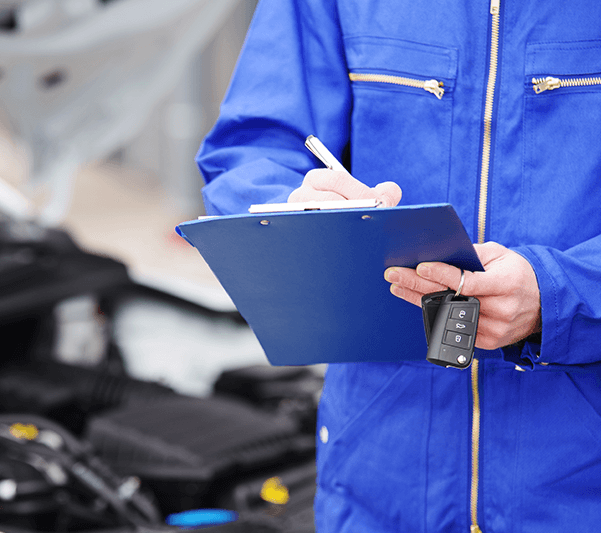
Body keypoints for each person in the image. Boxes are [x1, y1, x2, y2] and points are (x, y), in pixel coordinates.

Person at [195, 0, 601, 531]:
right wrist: (297, 210)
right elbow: (253, 150)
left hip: (579, 487)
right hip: (378, 473)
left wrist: (565, 295)